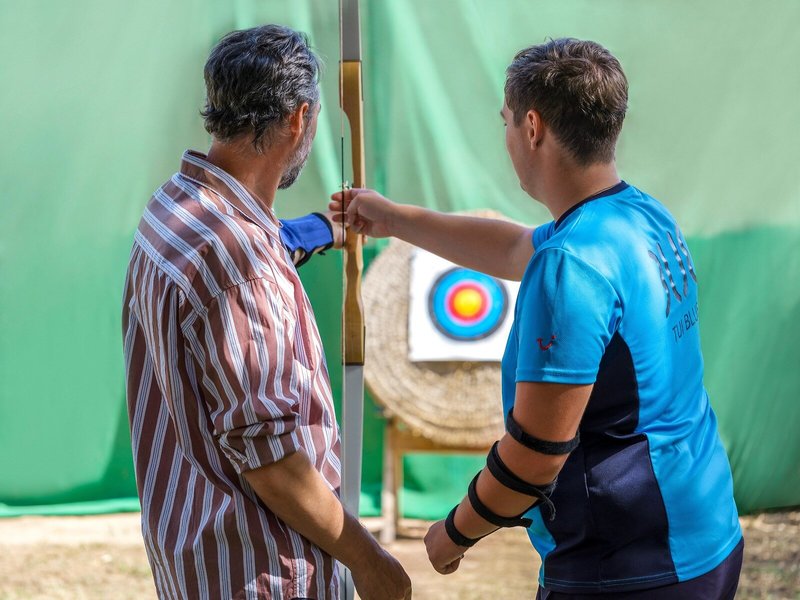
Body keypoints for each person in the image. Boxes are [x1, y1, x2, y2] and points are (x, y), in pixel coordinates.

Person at [331, 38, 742, 599]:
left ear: (532, 127)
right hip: (705, 531)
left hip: (630, 567)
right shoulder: (638, 214)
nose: (505, 137)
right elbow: (512, 248)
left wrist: (452, 533)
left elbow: (536, 455)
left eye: (505, 121)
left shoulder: (571, 264)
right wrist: (394, 219)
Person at [122, 24, 412, 600]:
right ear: (299, 118)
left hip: (198, 566)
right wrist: (369, 560)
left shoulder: (174, 208)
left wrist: (325, 229)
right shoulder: (241, 264)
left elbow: (256, 248)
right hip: (262, 573)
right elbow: (271, 459)